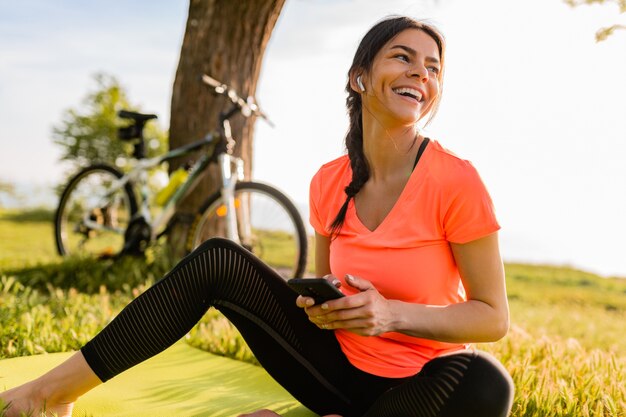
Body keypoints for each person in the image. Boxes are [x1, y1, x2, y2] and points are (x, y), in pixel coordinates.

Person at [0, 16, 514, 417]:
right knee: (220, 258)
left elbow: (493, 317)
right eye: (403, 57)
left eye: (432, 67)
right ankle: (51, 393)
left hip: (419, 389)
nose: (420, 73)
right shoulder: (328, 181)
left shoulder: (454, 180)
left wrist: (392, 315)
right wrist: (323, 306)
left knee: (488, 382)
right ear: (360, 78)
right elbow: (326, 288)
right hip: (334, 372)